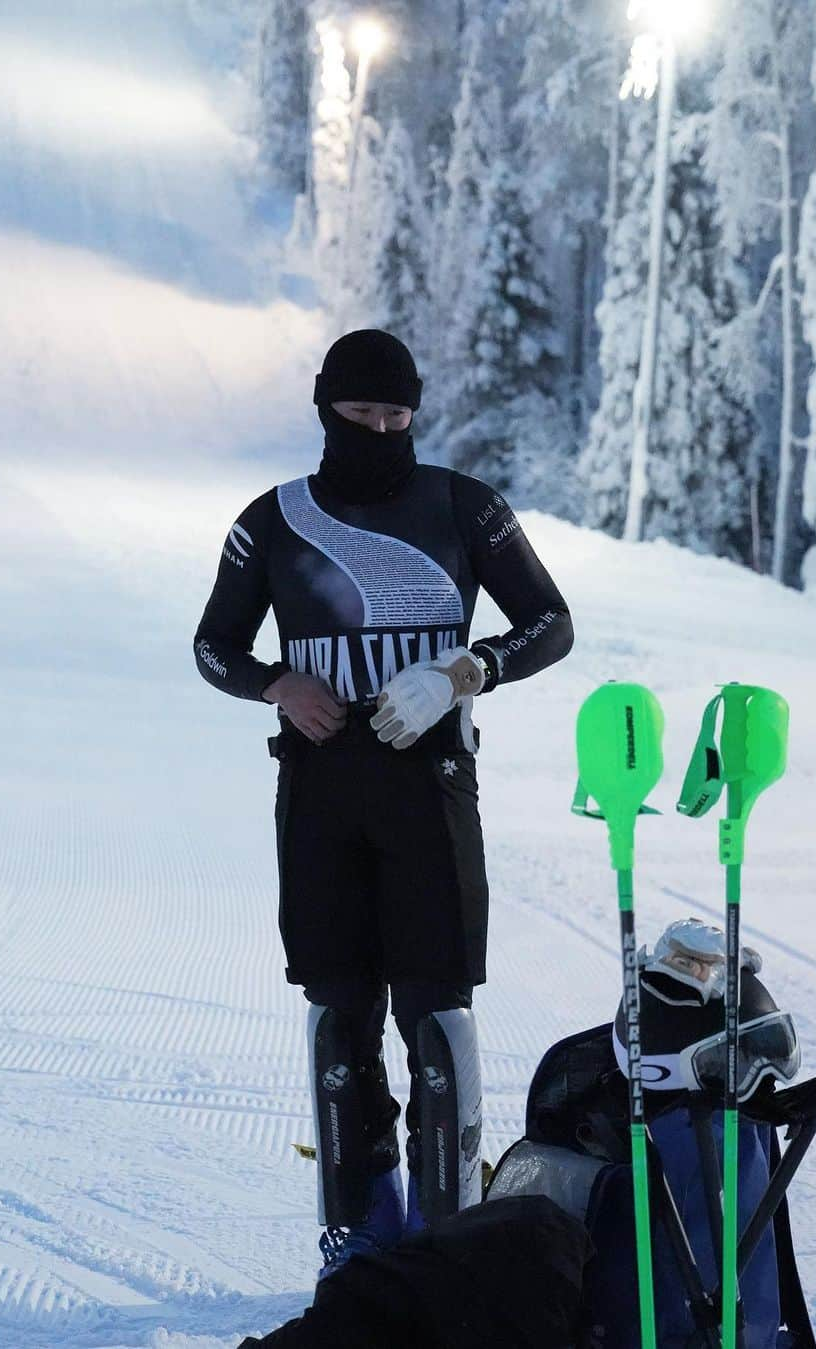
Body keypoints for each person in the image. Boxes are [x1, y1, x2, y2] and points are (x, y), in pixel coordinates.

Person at [193, 329, 573, 1276]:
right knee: (338, 1014)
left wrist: (465, 671)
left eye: (399, 418)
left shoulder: (464, 506)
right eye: (362, 416)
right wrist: (279, 684)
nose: (382, 431)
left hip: (430, 785)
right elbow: (212, 646)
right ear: (326, 409)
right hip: (319, 790)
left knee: (438, 1013)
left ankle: (446, 1241)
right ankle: (357, 1236)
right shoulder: (271, 519)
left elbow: (552, 622)